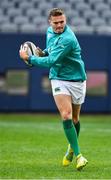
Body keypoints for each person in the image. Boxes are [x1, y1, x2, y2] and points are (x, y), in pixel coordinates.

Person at [19, 8, 88, 171]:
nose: (59, 25)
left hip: (77, 79)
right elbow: (51, 52)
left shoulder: (68, 39)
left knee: (76, 119)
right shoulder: (49, 31)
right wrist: (43, 52)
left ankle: (71, 148)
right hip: (58, 78)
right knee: (66, 115)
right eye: (56, 23)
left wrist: (29, 58)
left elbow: (51, 60)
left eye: (62, 22)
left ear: (65, 21)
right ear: (50, 22)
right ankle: (79, 155)